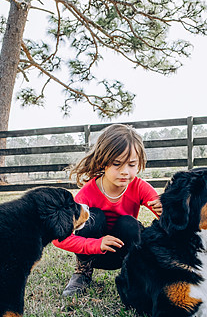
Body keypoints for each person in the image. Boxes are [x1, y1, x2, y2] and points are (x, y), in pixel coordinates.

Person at [54, 124, 162, 297]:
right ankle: (83, 272)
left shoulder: (140, 188)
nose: (125, 172)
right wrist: (96, 244)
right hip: (94, 254)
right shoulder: (86, 194)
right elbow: (59, 238)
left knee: (129, 223)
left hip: (125, 254)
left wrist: (164, 211)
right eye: (117, 164)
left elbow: (172, 224)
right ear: (102, 162)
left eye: (132, 164)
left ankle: (136, 274)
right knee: (93, 216)